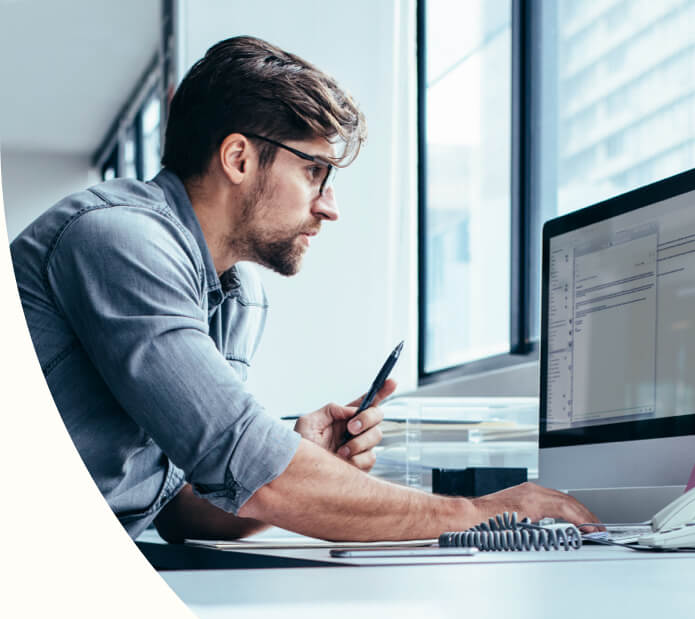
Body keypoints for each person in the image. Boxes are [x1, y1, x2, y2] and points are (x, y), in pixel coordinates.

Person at [11, 35, 597, 543]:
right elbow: (247, 462)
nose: (330, 207)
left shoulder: (237, 295)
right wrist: (478, 513)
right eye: (315, 170)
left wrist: (304, 460)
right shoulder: (119, 242)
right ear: (238, 157)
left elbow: (180, 509)